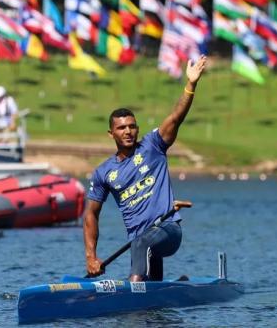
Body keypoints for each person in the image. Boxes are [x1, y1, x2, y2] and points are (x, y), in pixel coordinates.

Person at [83, 55, 207, 282]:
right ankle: (173, 289)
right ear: (111, 134)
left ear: (138, 129)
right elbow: (91, 215)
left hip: (168, 230)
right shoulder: (103, 173)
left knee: (141, 248)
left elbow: (176, 117)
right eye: (121, 128)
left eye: (132, 126)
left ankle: (135, 294)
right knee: (148, 279)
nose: (128, 131)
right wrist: (91, 257)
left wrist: (190, 85)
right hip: (139, 241)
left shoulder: (153, 146)